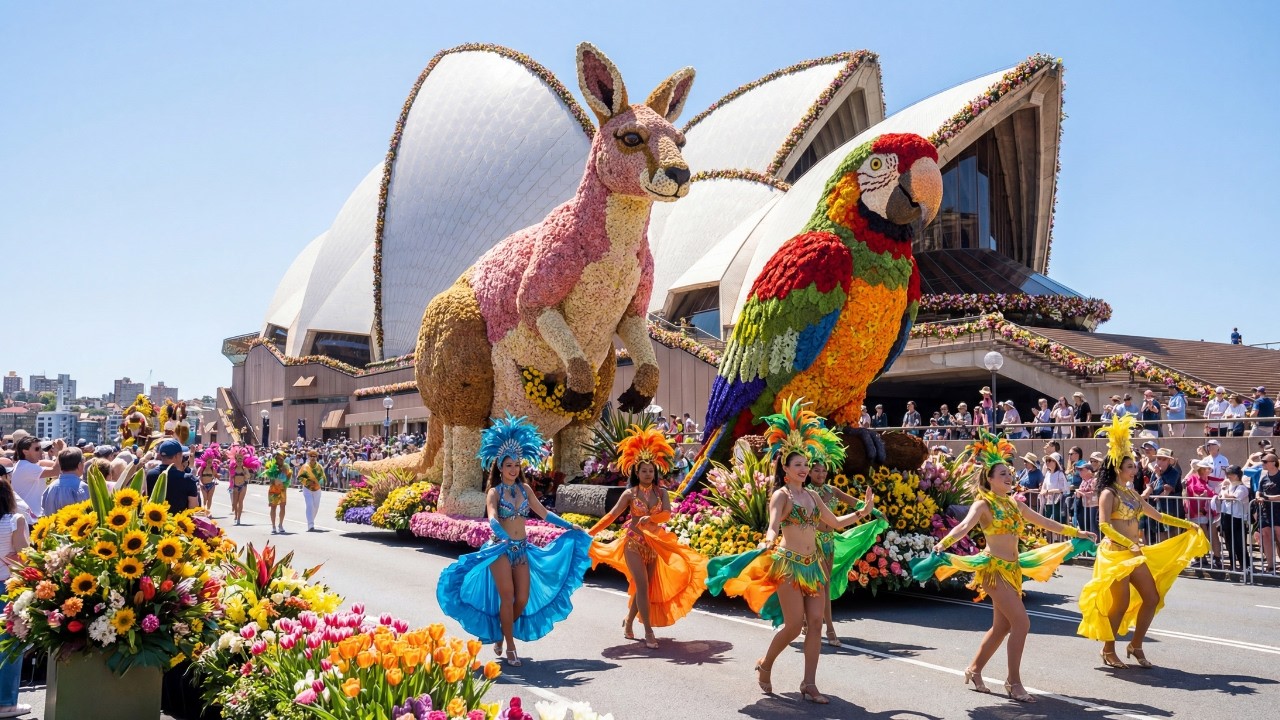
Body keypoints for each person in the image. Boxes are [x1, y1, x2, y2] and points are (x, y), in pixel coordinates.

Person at [707, 399, 877, 704]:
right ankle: (766, 663)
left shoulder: (812, 495)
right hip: (788, 565)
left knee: (815, 624)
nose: (804, 469)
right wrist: (767, 539)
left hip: (813, 566)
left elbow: (835, 522)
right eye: (798, 465)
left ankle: (809, 684)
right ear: (785, 469)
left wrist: (863, 511)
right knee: (794, 625)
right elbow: (773, 525)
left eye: (806, 465)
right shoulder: (781, 496)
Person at [912, 430, 1095, 703]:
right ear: (989, 479)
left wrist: (1076, 532)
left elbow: (1045, 522)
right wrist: (943, 543)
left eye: (1010, 473)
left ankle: (974, 669)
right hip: (993, 570)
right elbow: (964, 527)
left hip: (1013, 569)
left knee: (1001, 627)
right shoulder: (983, 504)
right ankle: (1014, 681)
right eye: (1002, 474)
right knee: (1021, 622)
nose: (1009, 477)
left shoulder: (1014, 504)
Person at [436, 414, 590, 666]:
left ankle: (501, 632)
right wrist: (505, 536)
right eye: (509, 465)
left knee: (522, 599)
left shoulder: (524, 490)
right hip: (499, 550)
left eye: (517, 465)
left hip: (522, 550)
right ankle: (509, 646)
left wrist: (568, 524)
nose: (513, 469)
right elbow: (493, 518)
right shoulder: (494, 492)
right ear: (500, 467)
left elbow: (543, 512)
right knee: (507, 597)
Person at [1077, 415, 1208, 669]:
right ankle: (1108, 649)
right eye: (1130, 467)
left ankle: (1135, 645)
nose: (1135, 470)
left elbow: (1157, 515)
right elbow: (1103, 525)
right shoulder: (1108, 493)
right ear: (1118, 469)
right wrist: (1129, 543)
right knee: (1121, 603)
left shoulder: (1132, 493)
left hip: (1133, 553)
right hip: (1115, 554)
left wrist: (1186, 524)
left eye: (1135, 467)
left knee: (1152, 597)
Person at [588, 426, 708, 649]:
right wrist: (590, 532)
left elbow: (667, 514)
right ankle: (649, 631)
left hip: (654, 545)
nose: (648, 474)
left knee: (645, 588)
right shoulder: (629, 494)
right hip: (633, 543)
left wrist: (651, 519)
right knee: (642, 586)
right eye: (643, 471)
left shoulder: (660, 492)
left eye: (651, 471)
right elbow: (612, 515)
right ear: (636, 471)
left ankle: (629, 622)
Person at [806, 453, 884, 647]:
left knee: (823, 584)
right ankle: (829, 628)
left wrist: (875, 512)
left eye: (824, 470)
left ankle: (811, 621)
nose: (821, 474)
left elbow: (856, 503)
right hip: (810, 542)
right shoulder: (805, 493)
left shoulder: (832, 490)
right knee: (818, 584)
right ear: (808, 472)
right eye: (816, 470)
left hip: (828, 542)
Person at [0, 478, 32, 718]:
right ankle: (6, 702)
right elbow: (21, 559)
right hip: (8, 587)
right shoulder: (15, 521)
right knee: (11, 645)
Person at [145, 439, 199, 515]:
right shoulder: (188, 479)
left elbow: (147, 500)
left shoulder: (150, 475)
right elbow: (193, 509)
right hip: (179, 525)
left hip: (154, 523)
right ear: (177, 455)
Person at [1215, 465, 1252, 575]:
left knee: (1239, 543)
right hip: (1226, 515)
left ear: (1237, 475)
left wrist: (1224, 492)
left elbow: (1233, 497)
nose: (1228, 476)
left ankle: (1245, 566)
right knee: (1229, 542)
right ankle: (1233, 565)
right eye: (1228, 474)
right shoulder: (1228, 486)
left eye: (1231, 474)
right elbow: (1222, 496)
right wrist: (1224, 491)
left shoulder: (1242, 488)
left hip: (1238, 517)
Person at [9, 436, 60, 515]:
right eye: (37, 449)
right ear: (25, 452)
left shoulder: (24, 465)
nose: (41, 451)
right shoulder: (27, 467)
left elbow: (40, 463)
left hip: (30, 516)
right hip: (30, 518)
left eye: (40, 448)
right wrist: (61, 451)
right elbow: (55, 471)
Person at [1145, 448, 1183, 543]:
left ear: (1169, 461)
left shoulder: (1174, 472)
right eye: (1159, 458)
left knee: (1173, 537)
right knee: (1160, 534)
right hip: (1159, 508)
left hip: (1173, 509)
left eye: (1164, 459)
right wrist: (1142, 496)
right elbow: (1151, 486)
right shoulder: (1155, 472)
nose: (1160, 461)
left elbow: (1166, 491)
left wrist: (1158, 475)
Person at [41, 448, 89, 516]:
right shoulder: (82, 487)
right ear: (79, 465)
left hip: (52, 525)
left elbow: (44, 509)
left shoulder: (50, 487)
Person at [1256, 454, 1280, 573]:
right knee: (1266, 536)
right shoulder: (1264, 477)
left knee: (1278, 535)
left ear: (1274, 463)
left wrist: (1267, 498)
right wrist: (1258, 496)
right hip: (1266, 510)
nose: (1263, 463)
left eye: (1265, 461)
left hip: (1278, 510)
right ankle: (1270, 564)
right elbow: (1259, 491)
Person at [260, 450, 293, 534]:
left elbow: (286, 478)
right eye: (278, 459)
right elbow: (270, 477)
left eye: (281, 459)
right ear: (275, 459)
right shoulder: (272, 466)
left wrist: (283, 471)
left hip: (282, 489)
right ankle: (273, 526)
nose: (280, 460)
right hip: (273, 490)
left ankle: (280, 525)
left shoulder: (286, 467)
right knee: (273, 507)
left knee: (283, 506)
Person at [296, 449, 327, 532]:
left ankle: (310, 519)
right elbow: (300, 477)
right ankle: (310, 525)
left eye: (314, 456)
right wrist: (308, 482)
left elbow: (323, 476)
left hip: (317, 489)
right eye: (311, 456)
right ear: (308, 457)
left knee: (315, 507)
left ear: (316, 457)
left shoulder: (319, 466)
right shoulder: (305, 467)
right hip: (307, 489)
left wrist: (321, 481)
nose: (313, 458)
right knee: (309, 505)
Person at [1039, 453, 1067, 527]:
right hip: (1048, 502)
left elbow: (1063, 488)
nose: (1047, 462)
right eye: (1046, 461)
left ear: (1055, 462)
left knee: (1055, 523)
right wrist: (1043, 492)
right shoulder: (1047, 474)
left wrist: (1048, 492)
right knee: (1047, 524)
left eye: (1049, 460)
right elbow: (1044, 487)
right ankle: (1049, 538)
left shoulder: (1060, 474)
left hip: (1057, 502)